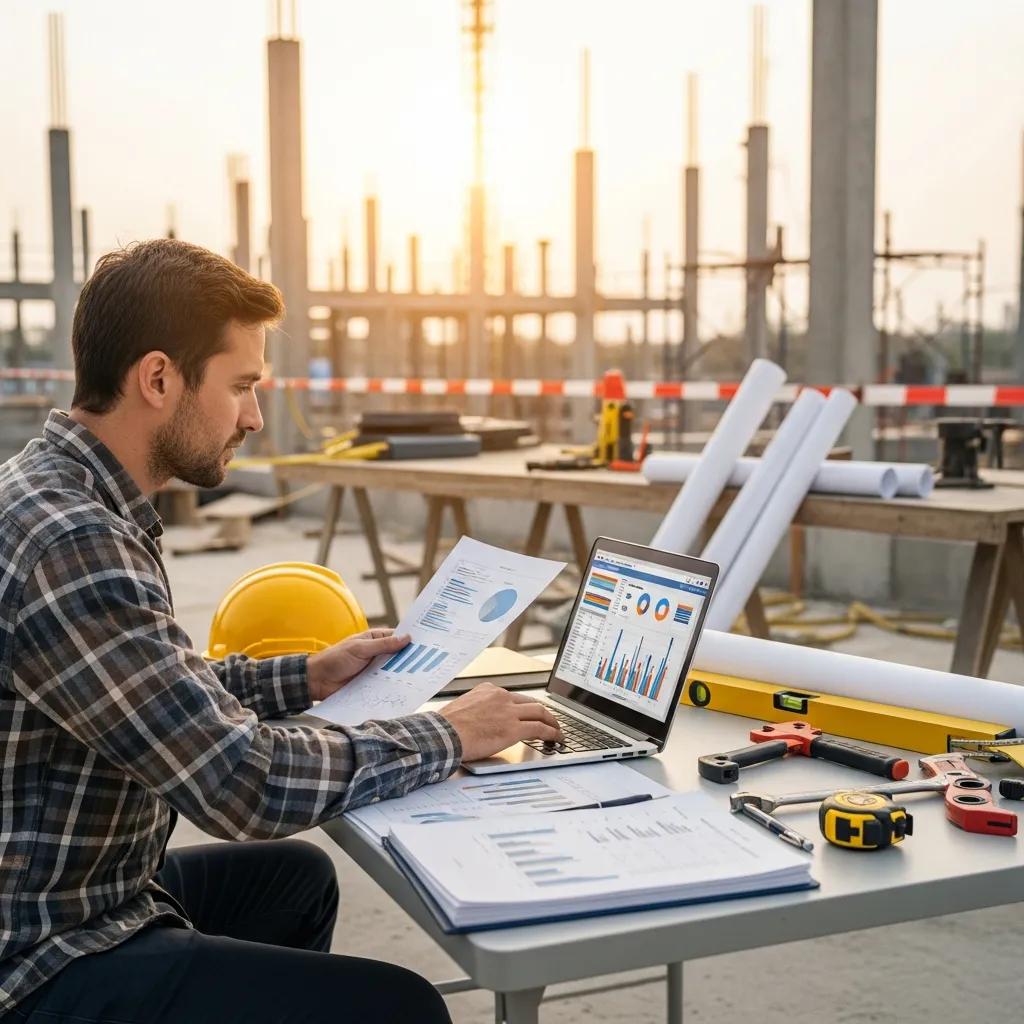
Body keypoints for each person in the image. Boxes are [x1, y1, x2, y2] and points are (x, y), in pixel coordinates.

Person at [0, 239, 562, 1022]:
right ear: (158, 379)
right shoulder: (73, 542)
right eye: (241, 386)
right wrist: (448, 735)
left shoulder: (59, 491)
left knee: (293, 880)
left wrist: (305, 676)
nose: (256, 417)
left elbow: (151, 689)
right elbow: (242, 786)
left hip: (94, 889)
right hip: (44, 955)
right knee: (399, 1007)